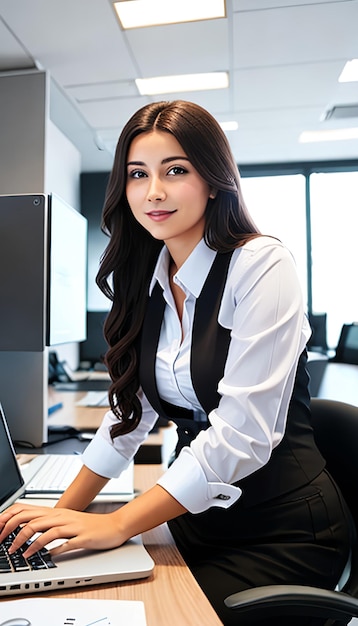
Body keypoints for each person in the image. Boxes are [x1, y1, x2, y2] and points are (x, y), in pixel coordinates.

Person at [0, 100, 352, 625]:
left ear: (214, 180)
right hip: (198, 521)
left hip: (282, 531)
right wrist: (65, 511)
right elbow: (128, 417)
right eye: (138, 174)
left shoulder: (260, 264)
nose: (153, 192)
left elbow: (241, 437)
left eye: (176, 171)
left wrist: (117, 523)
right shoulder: (149, 276)